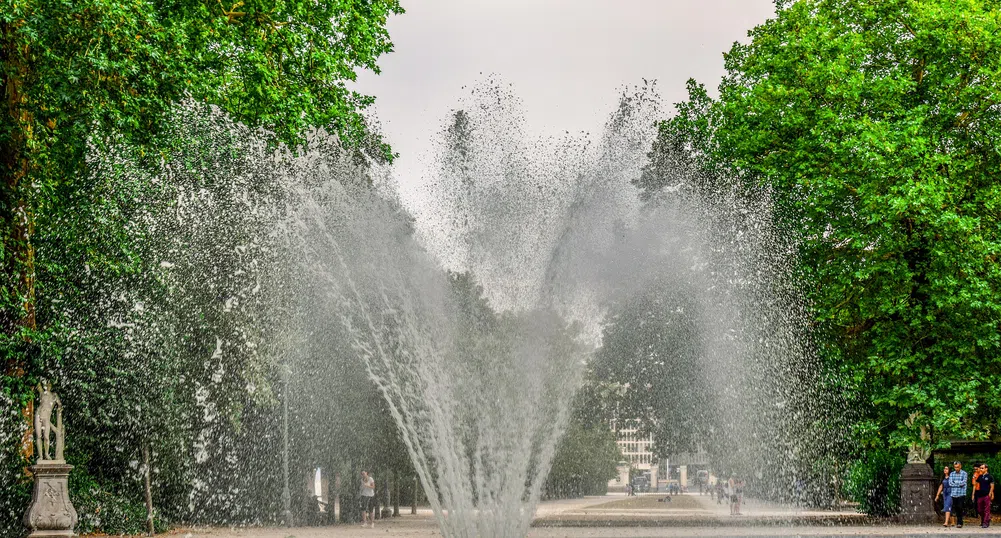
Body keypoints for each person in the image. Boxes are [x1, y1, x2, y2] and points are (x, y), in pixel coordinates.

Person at [974, 463, 995, 528]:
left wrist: (990, 494)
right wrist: (975, 477)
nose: (981, 469)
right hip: (980, 495)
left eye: (982, 468)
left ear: (986, 469)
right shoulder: (980, 476)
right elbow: (975, 484)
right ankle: (985, 520)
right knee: (979, 509)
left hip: (986, 495)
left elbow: (992, 486)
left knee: (987, 509)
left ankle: (985, 522)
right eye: (980, 468)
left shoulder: (990, 477)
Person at [948, 461, 968, 528]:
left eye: (957, 467)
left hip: (961, 494)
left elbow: (963, 483)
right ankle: (958, 522)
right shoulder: (952, 474)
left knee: (960, 507)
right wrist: (958, 483)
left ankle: (960, 522)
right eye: (955, 467)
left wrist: (955, 482)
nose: (956, 468)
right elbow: (950, 483)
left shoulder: (964, 473)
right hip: (954, 494)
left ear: (960, 466)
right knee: (956, 508)